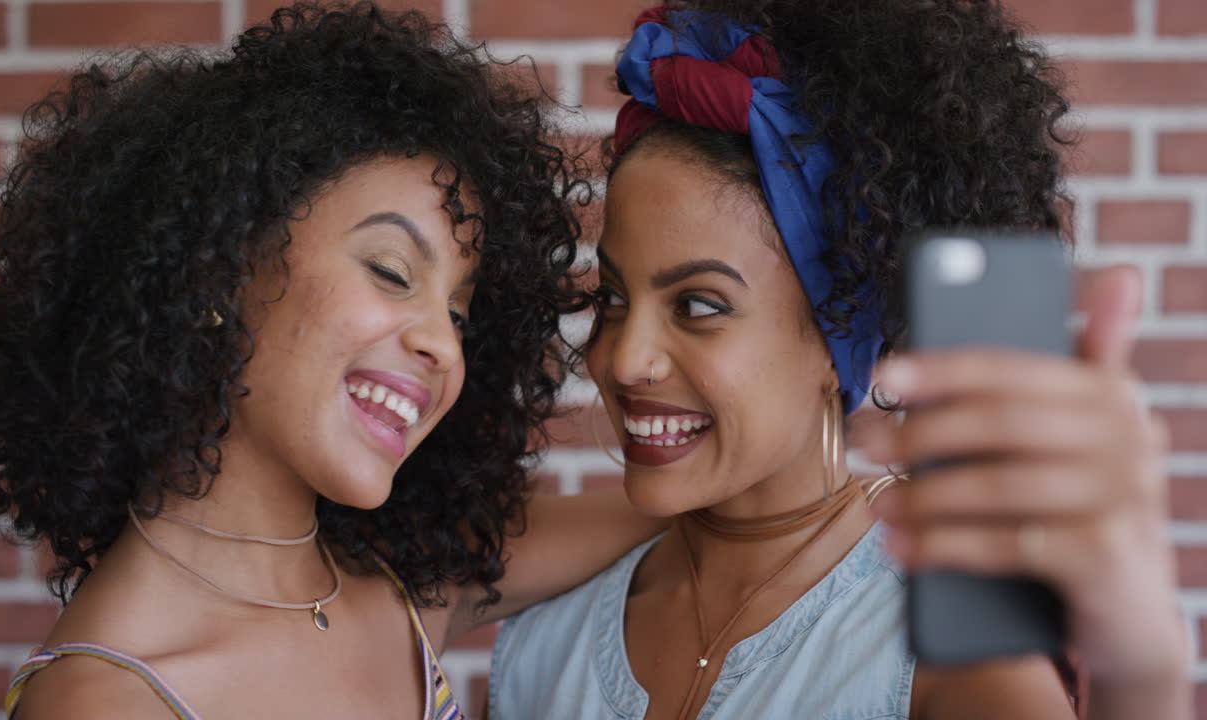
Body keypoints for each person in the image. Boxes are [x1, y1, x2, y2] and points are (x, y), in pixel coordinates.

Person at [0, 3, 664, 718]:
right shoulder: (109, 702)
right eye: (390, 271)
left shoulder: (404, 583)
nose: (444, 346)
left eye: (457, 313)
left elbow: (676, 509)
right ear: (215, 273)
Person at [488, 2, 1189, 719]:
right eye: (611, 297)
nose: (622, 359)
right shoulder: (548, 634)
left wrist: (1143, 671)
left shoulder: (937, 657)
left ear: (840, 334)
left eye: (698, 306)